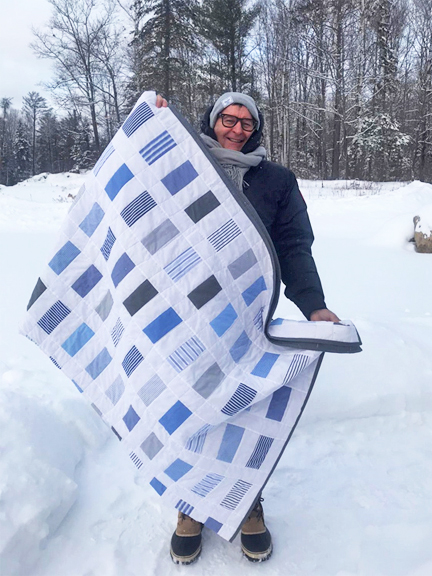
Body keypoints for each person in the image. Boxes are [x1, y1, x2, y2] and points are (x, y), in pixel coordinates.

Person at [156, 92, 339, 564]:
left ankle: (247, 501)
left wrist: (314, 305)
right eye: (228, 118)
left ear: (255, 130)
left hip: (248, 312)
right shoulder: (184, 161)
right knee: (190, 405)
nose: (236, 129)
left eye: (246, 122)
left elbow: (293, 244)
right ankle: (190, 504)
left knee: (243, 407)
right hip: (185, 313)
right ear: (212, 120)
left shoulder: (276, 180)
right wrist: (153, 121)